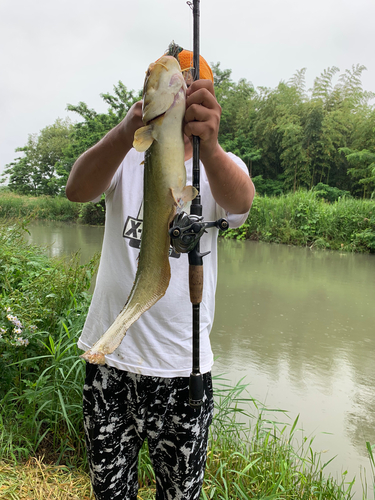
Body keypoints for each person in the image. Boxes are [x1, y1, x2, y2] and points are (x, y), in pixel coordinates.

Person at [66, 49, 255, 500]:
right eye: (167, 85)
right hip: (110, 360)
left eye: (191, 88)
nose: (177, 93)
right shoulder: (128, 156)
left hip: (183, 370)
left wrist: (208, 146)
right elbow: (76, 189)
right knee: (109, 493)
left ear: (207, 100)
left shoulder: (218, 167)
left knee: (180, 494)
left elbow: (241, 203)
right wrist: (123, 133)